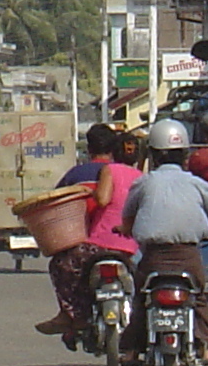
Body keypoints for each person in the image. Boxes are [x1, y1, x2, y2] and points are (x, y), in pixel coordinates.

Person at [119, 126, 208, 366]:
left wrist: (125, 230)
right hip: (188, 257)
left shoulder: (143, 183)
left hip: (153, 259)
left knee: (141, 301)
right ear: (185, 155)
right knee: (198, 299)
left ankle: (131, 351)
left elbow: (126, 221)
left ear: (153, 155)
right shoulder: (199, 184)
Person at [39, 120, 146, 340]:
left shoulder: (99, 172)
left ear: (89, 149)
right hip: (132, 245)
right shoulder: (140, 178)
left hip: (97, 242)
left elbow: (61, 203)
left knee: (63, 266)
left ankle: (72, 314)